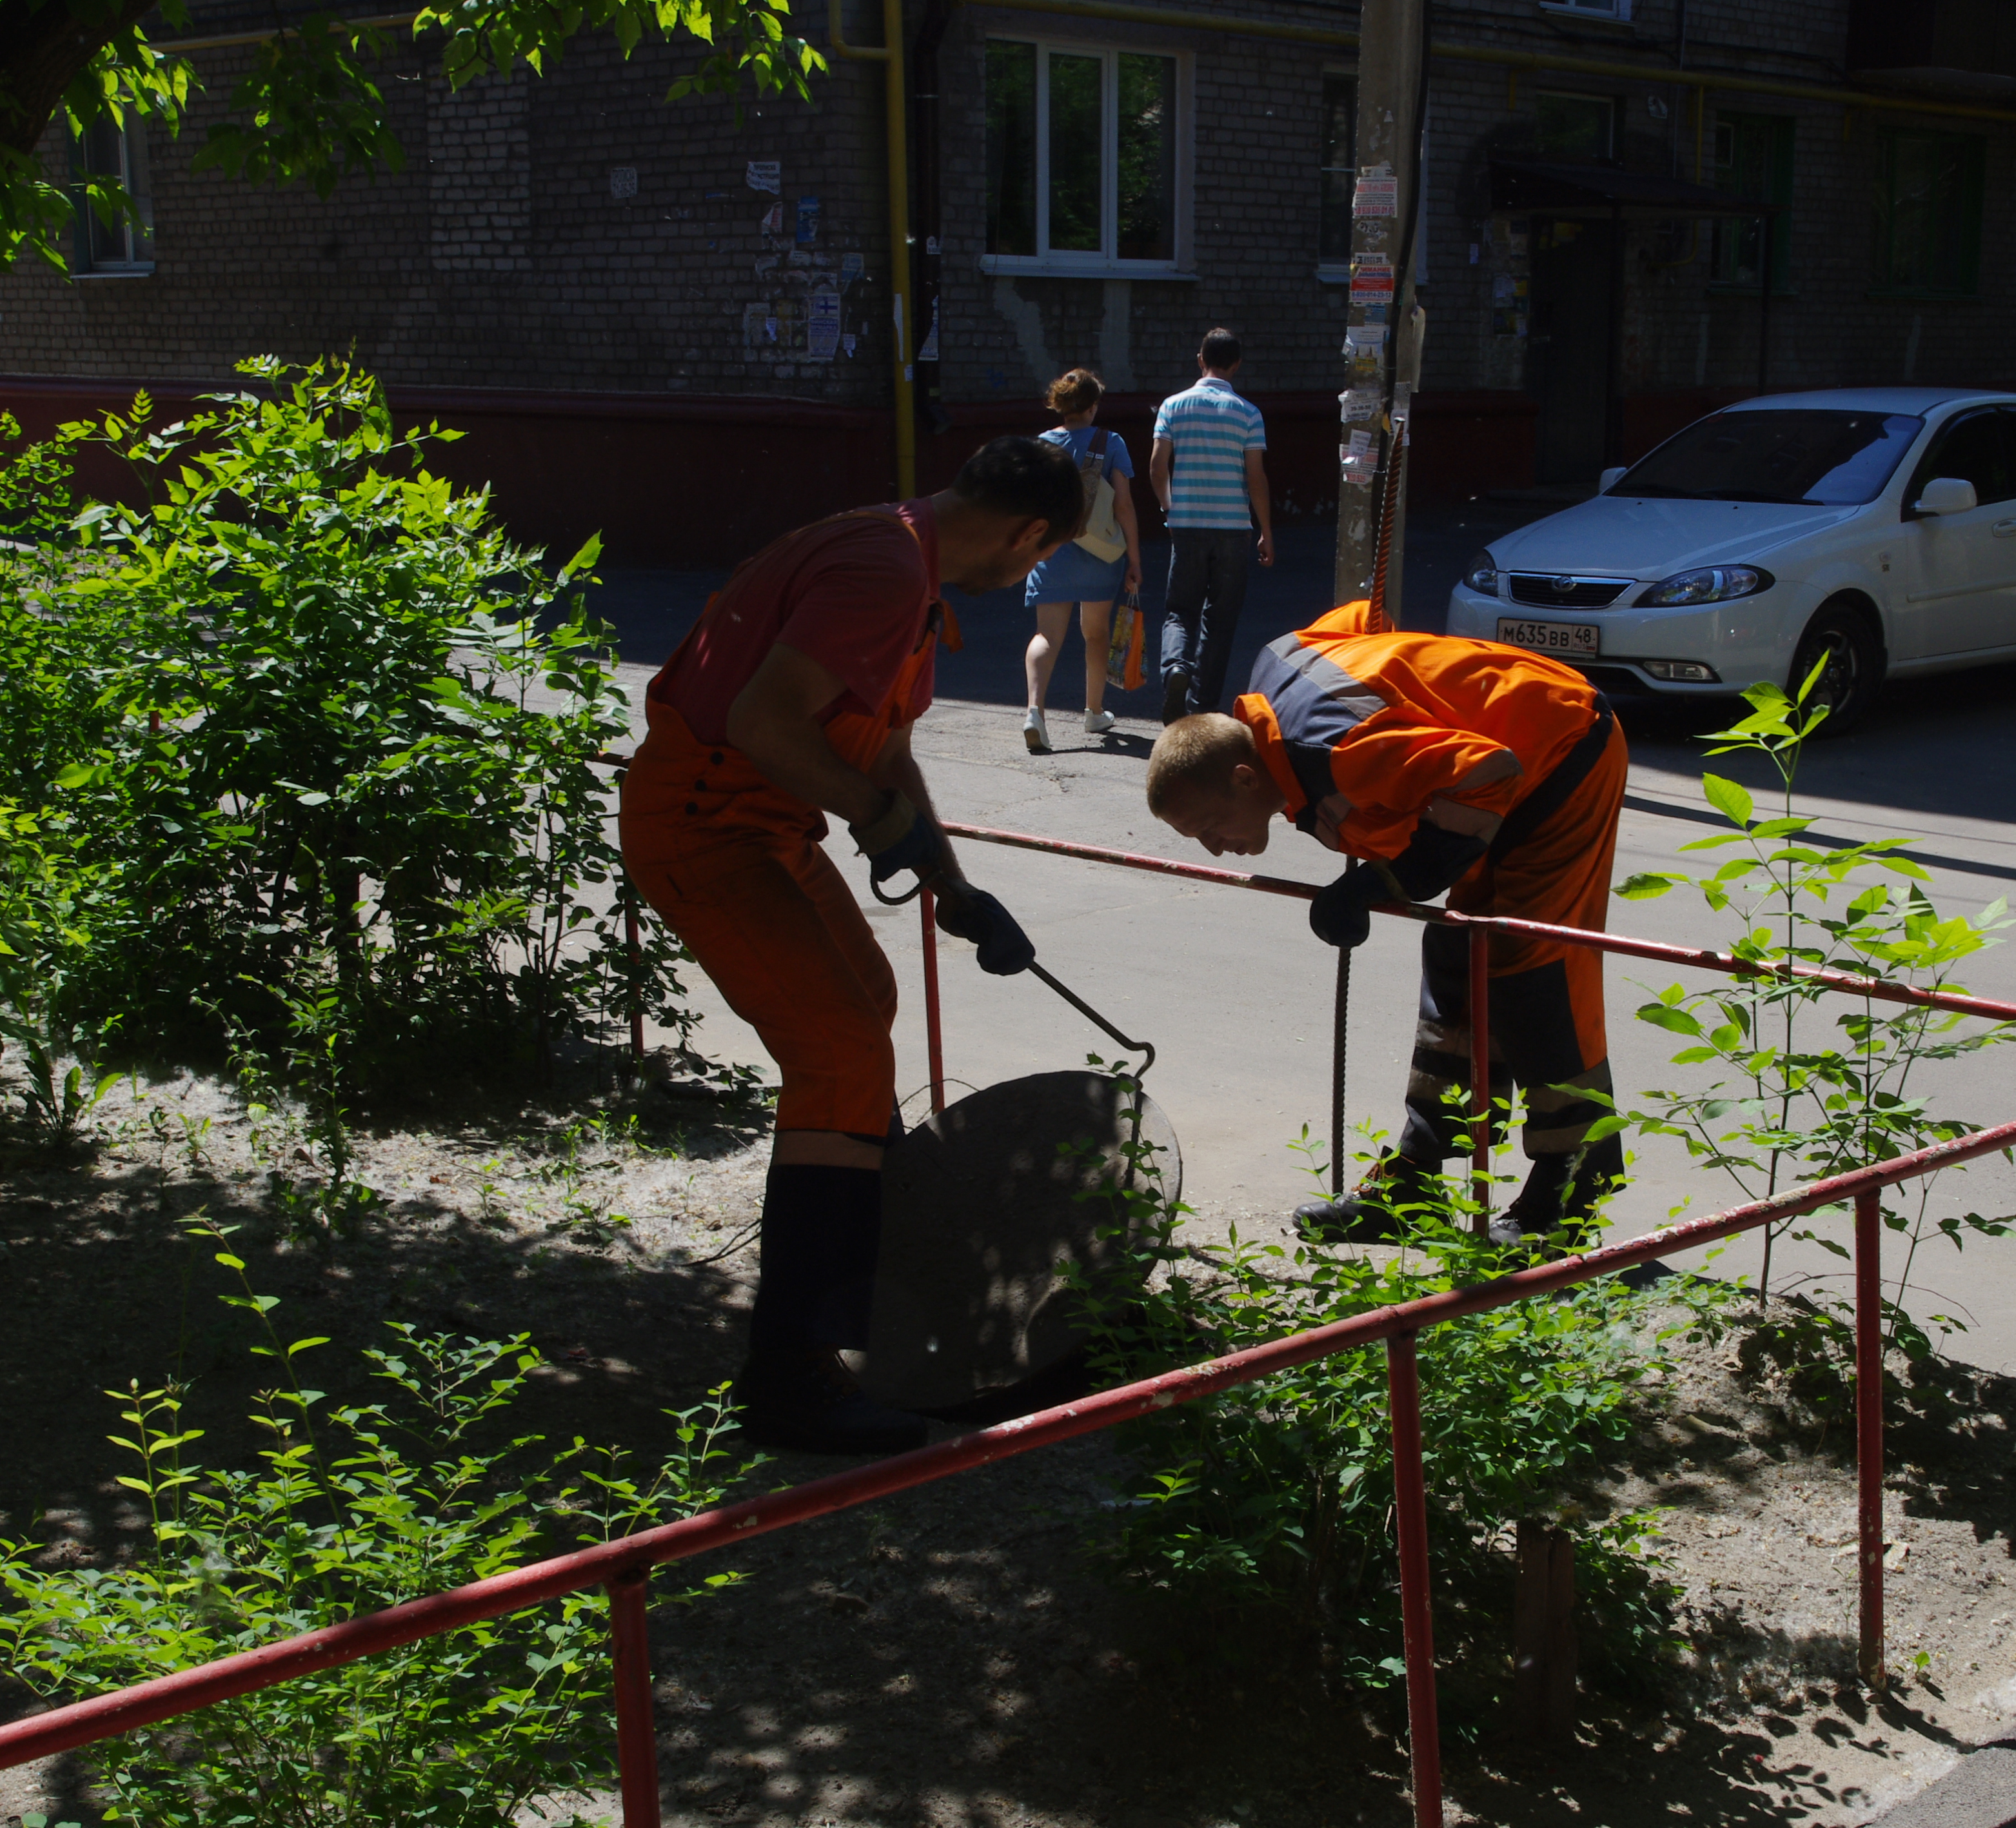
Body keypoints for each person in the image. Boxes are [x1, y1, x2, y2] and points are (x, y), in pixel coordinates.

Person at [620, 437, 1085, 1455]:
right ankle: (791, 1378)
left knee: (863, 1007)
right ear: (1030, 536)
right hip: (707, 824)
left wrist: (958, 893)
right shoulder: (882, 570)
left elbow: (885, 750)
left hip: (764, 829)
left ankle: (860, 1284)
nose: (1028, 575)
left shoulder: (900, 557)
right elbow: (763, 722)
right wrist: (879, 821)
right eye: (1039, 560)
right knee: (837, 1051)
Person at [1143, 602, 1629, 1250]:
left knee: (1528, 965)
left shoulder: (1337, 750)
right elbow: (1361, 618)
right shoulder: (1272, 675)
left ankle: (1572, 1188)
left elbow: (1488, 774)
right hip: (1520, 743)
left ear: (1242, 777)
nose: (1212, 847)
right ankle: (1417, 1181)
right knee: (1456, 951)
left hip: (1563, 749)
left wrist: (1385, 881)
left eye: (1208, 826)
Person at [1148, 327, 1274, 722]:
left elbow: (1156, 466)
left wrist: (1169, 508)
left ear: (1200, 359)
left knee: (1179, 611)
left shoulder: (1172, 406)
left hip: (1186, 526)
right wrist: (1266, 530)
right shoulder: (1249, 414)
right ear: (1236, 365)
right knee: (1221, 617)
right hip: (1234, 529)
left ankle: (1176, 670)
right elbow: (1256, 476)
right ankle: (1203, 706)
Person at [1021, 368, 1143, 753]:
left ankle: (1034, 712)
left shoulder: (1042, 445)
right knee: (1095, 633)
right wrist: (1135, 559)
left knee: (1046, 636)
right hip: (1099, 556)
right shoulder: (1111, 442)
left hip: (1051, 551)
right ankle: (1094, 710)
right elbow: (1122, 505)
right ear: (1092, 406)